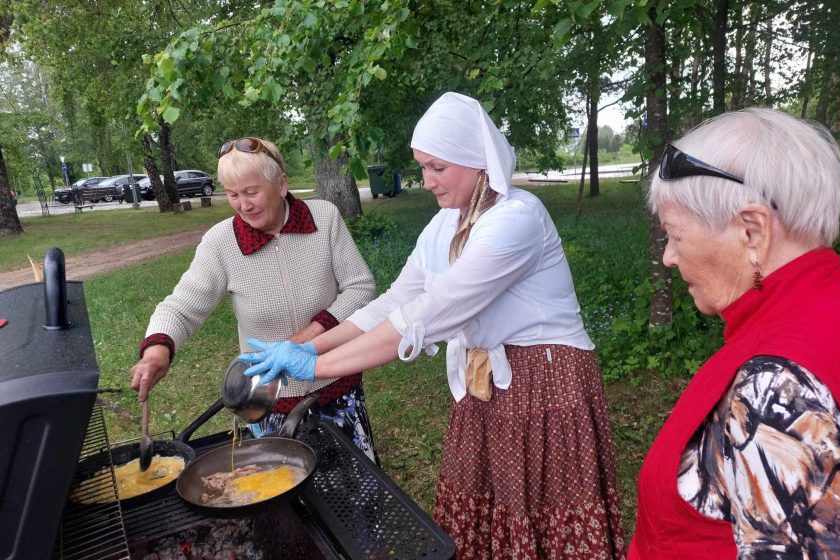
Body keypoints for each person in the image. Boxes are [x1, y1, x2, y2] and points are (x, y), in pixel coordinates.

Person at [238, 93, 625, 559]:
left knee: (539, 506)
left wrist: (315, 366)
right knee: (484, 496)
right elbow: (397, 300)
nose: (426, 181)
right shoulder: (446, 223)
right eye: (422, 167)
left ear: (476, 160)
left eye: (437, 167)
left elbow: (428, 314)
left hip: (544, 381)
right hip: (485, 383)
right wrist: (314, 347)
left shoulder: (516, 220)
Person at [628, 109, 840, 559]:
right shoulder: (827, 309)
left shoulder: (778, 388)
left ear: (752, 231)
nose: (669, 257)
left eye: (675, 235)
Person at [129, 137, 379, 461]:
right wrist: (156, 351)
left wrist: (307, 338)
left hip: (336, 384)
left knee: (356, 494)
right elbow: (181, 306)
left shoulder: (325, 218)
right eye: (232, 194)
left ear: (281, 184)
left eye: (252, 192)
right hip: (267, 403)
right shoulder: (221, 243)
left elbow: (360, 287)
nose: (243, 205)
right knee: (287, 504)